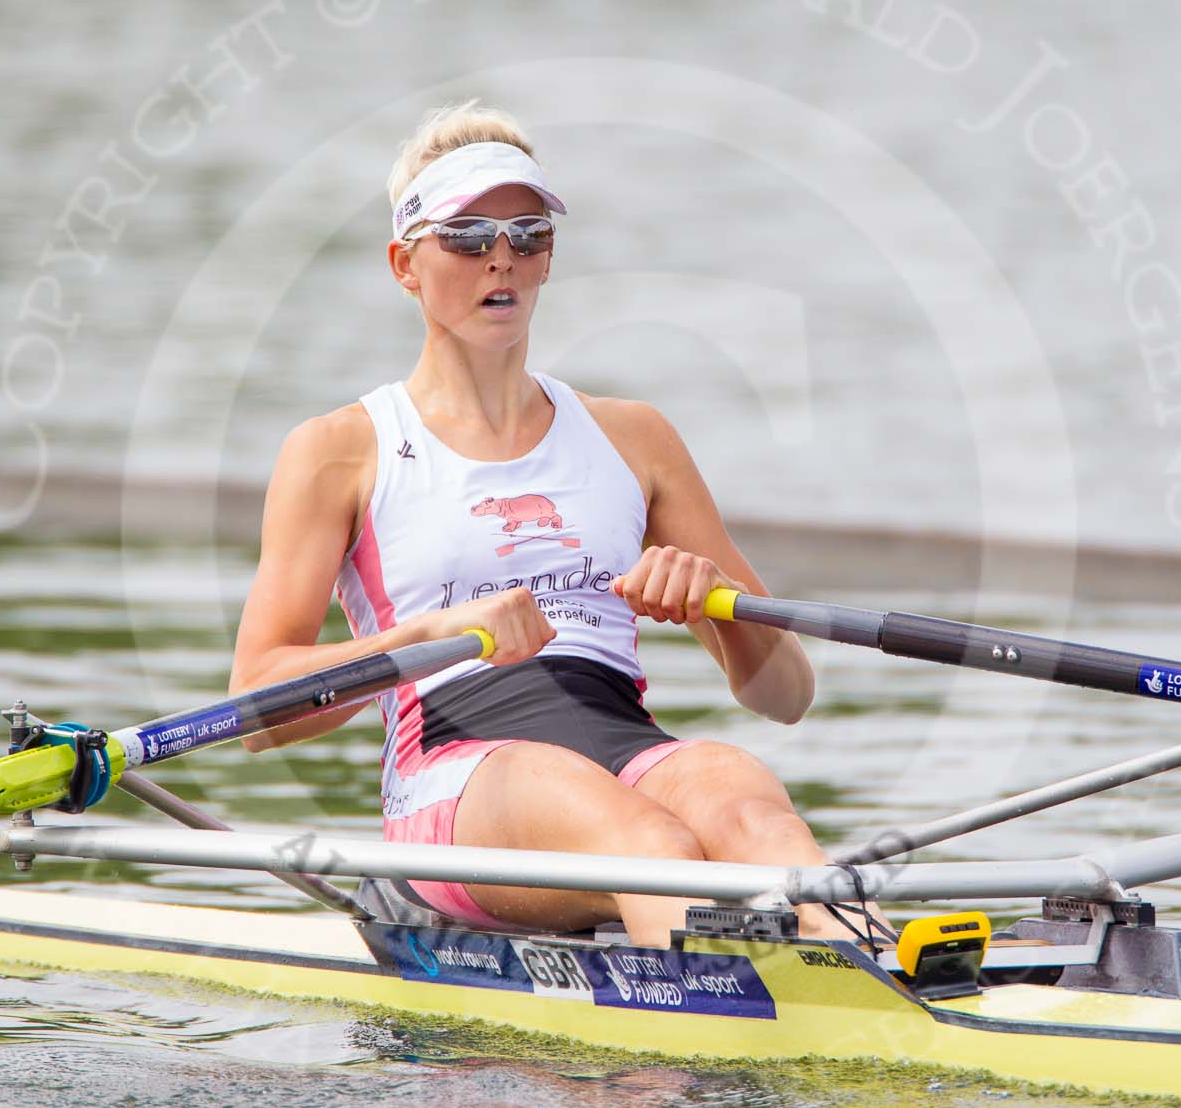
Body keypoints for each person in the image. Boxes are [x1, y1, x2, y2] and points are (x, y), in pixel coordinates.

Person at [231, 102, 859, 949]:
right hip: (451, 771)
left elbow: (786, 694)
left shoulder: (634, 437)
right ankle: (710, 1042)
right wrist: (433, 633)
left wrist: (718, 604)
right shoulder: (340, 450)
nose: (502, 258)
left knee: (746, 799)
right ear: (404, 263)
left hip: (621, 741)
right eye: (467, 235)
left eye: (528, 235)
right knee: (653, 845)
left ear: (549, 258)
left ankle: (876, 977)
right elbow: (256, 709)